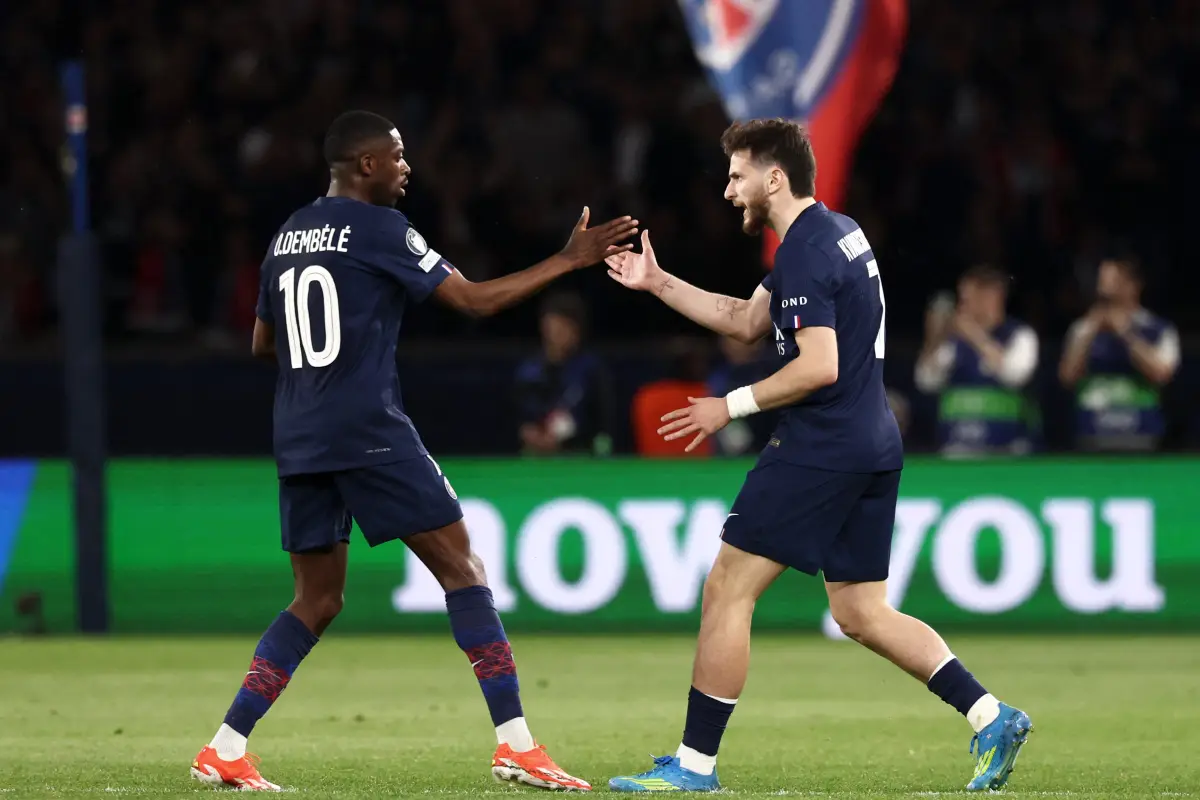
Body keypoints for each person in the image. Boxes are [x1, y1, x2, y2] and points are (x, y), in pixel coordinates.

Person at [189, 110, 638, 792]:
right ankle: (516, 745)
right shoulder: (382, 229)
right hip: (366, 427)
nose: (407, 167)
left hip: (300, 433)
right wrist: (567, 260)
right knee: (464, 568)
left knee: (317, 598)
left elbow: (261, 343)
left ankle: (225, 746)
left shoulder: (287, 235)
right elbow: (476, 301)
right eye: (397, 156)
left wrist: (324, 366)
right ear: (365, 164)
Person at [603, 119, 1031, 793]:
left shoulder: (804, 252)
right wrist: (658, 282)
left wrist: (730, 406)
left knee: (727, 589)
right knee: (860, 611)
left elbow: (819, 366)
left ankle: (694, 766)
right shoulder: (836, 231)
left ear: (774, 178)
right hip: (871, 439)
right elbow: (748, 321)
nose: (728, 191)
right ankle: (990, 715)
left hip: (822, 444)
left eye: (738, 176)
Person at [914, 265, 1039, 456]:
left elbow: (1015, 375)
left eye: (969, 298)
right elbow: (926, 381)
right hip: (956, 452)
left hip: (1007, 453)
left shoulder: (1019, 335)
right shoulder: (952, 341)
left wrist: (974, 334)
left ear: (994, 295)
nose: (962, 306)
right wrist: (934, 337)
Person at [1058, 257, 1179, 451]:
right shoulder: (1082, 328)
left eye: (1114, 282)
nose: (1104, 290)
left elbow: (1162, 373)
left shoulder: (1158, 329)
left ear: (1133, 286)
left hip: (1141, 434)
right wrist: (1089, 333)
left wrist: (1124, 332)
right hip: (1091, 434)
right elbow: (1067, 377)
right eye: (1102, 282)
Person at [514, 290, 615, 457]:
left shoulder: (591, 370)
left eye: (565, 328)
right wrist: (532, 434)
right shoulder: (529, 371)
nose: (558, 335)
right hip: (535, 455)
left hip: (578, 455)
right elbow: (521, 416)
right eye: (554, 328)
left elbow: (602, 424)